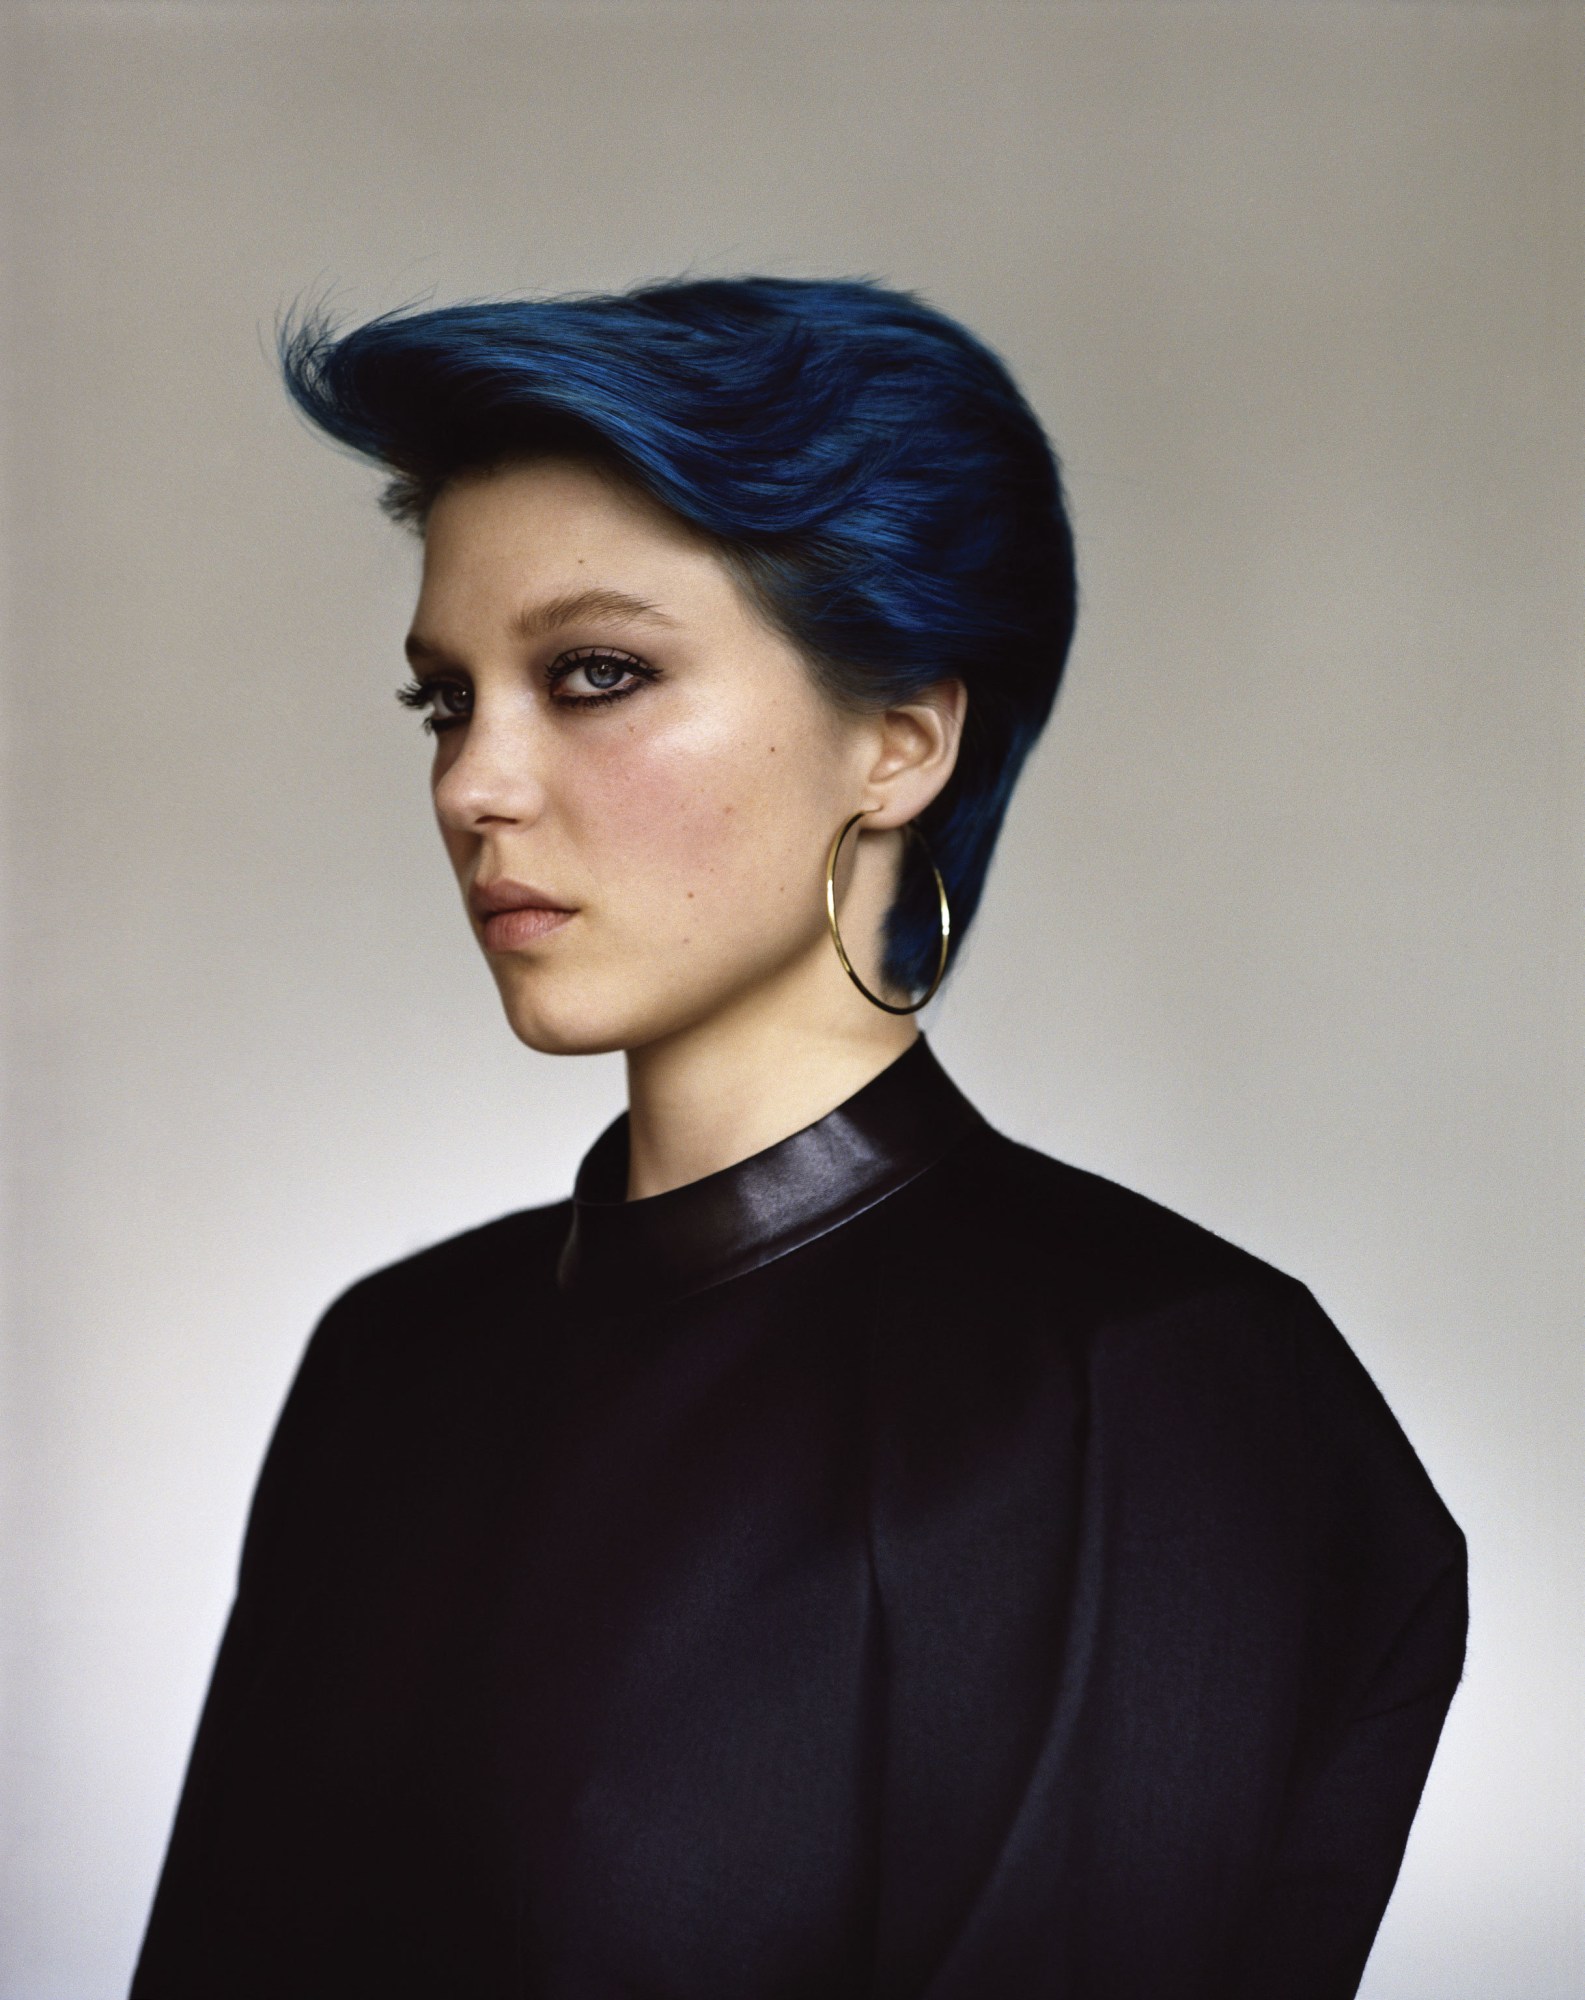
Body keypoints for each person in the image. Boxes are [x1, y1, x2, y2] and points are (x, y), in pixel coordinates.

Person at [131, 277, 1466, 1999]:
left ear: (899, 741)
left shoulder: (1153, 1384)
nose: (473, 784)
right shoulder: (387, 1360)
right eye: (445, 700)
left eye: (594, 675)